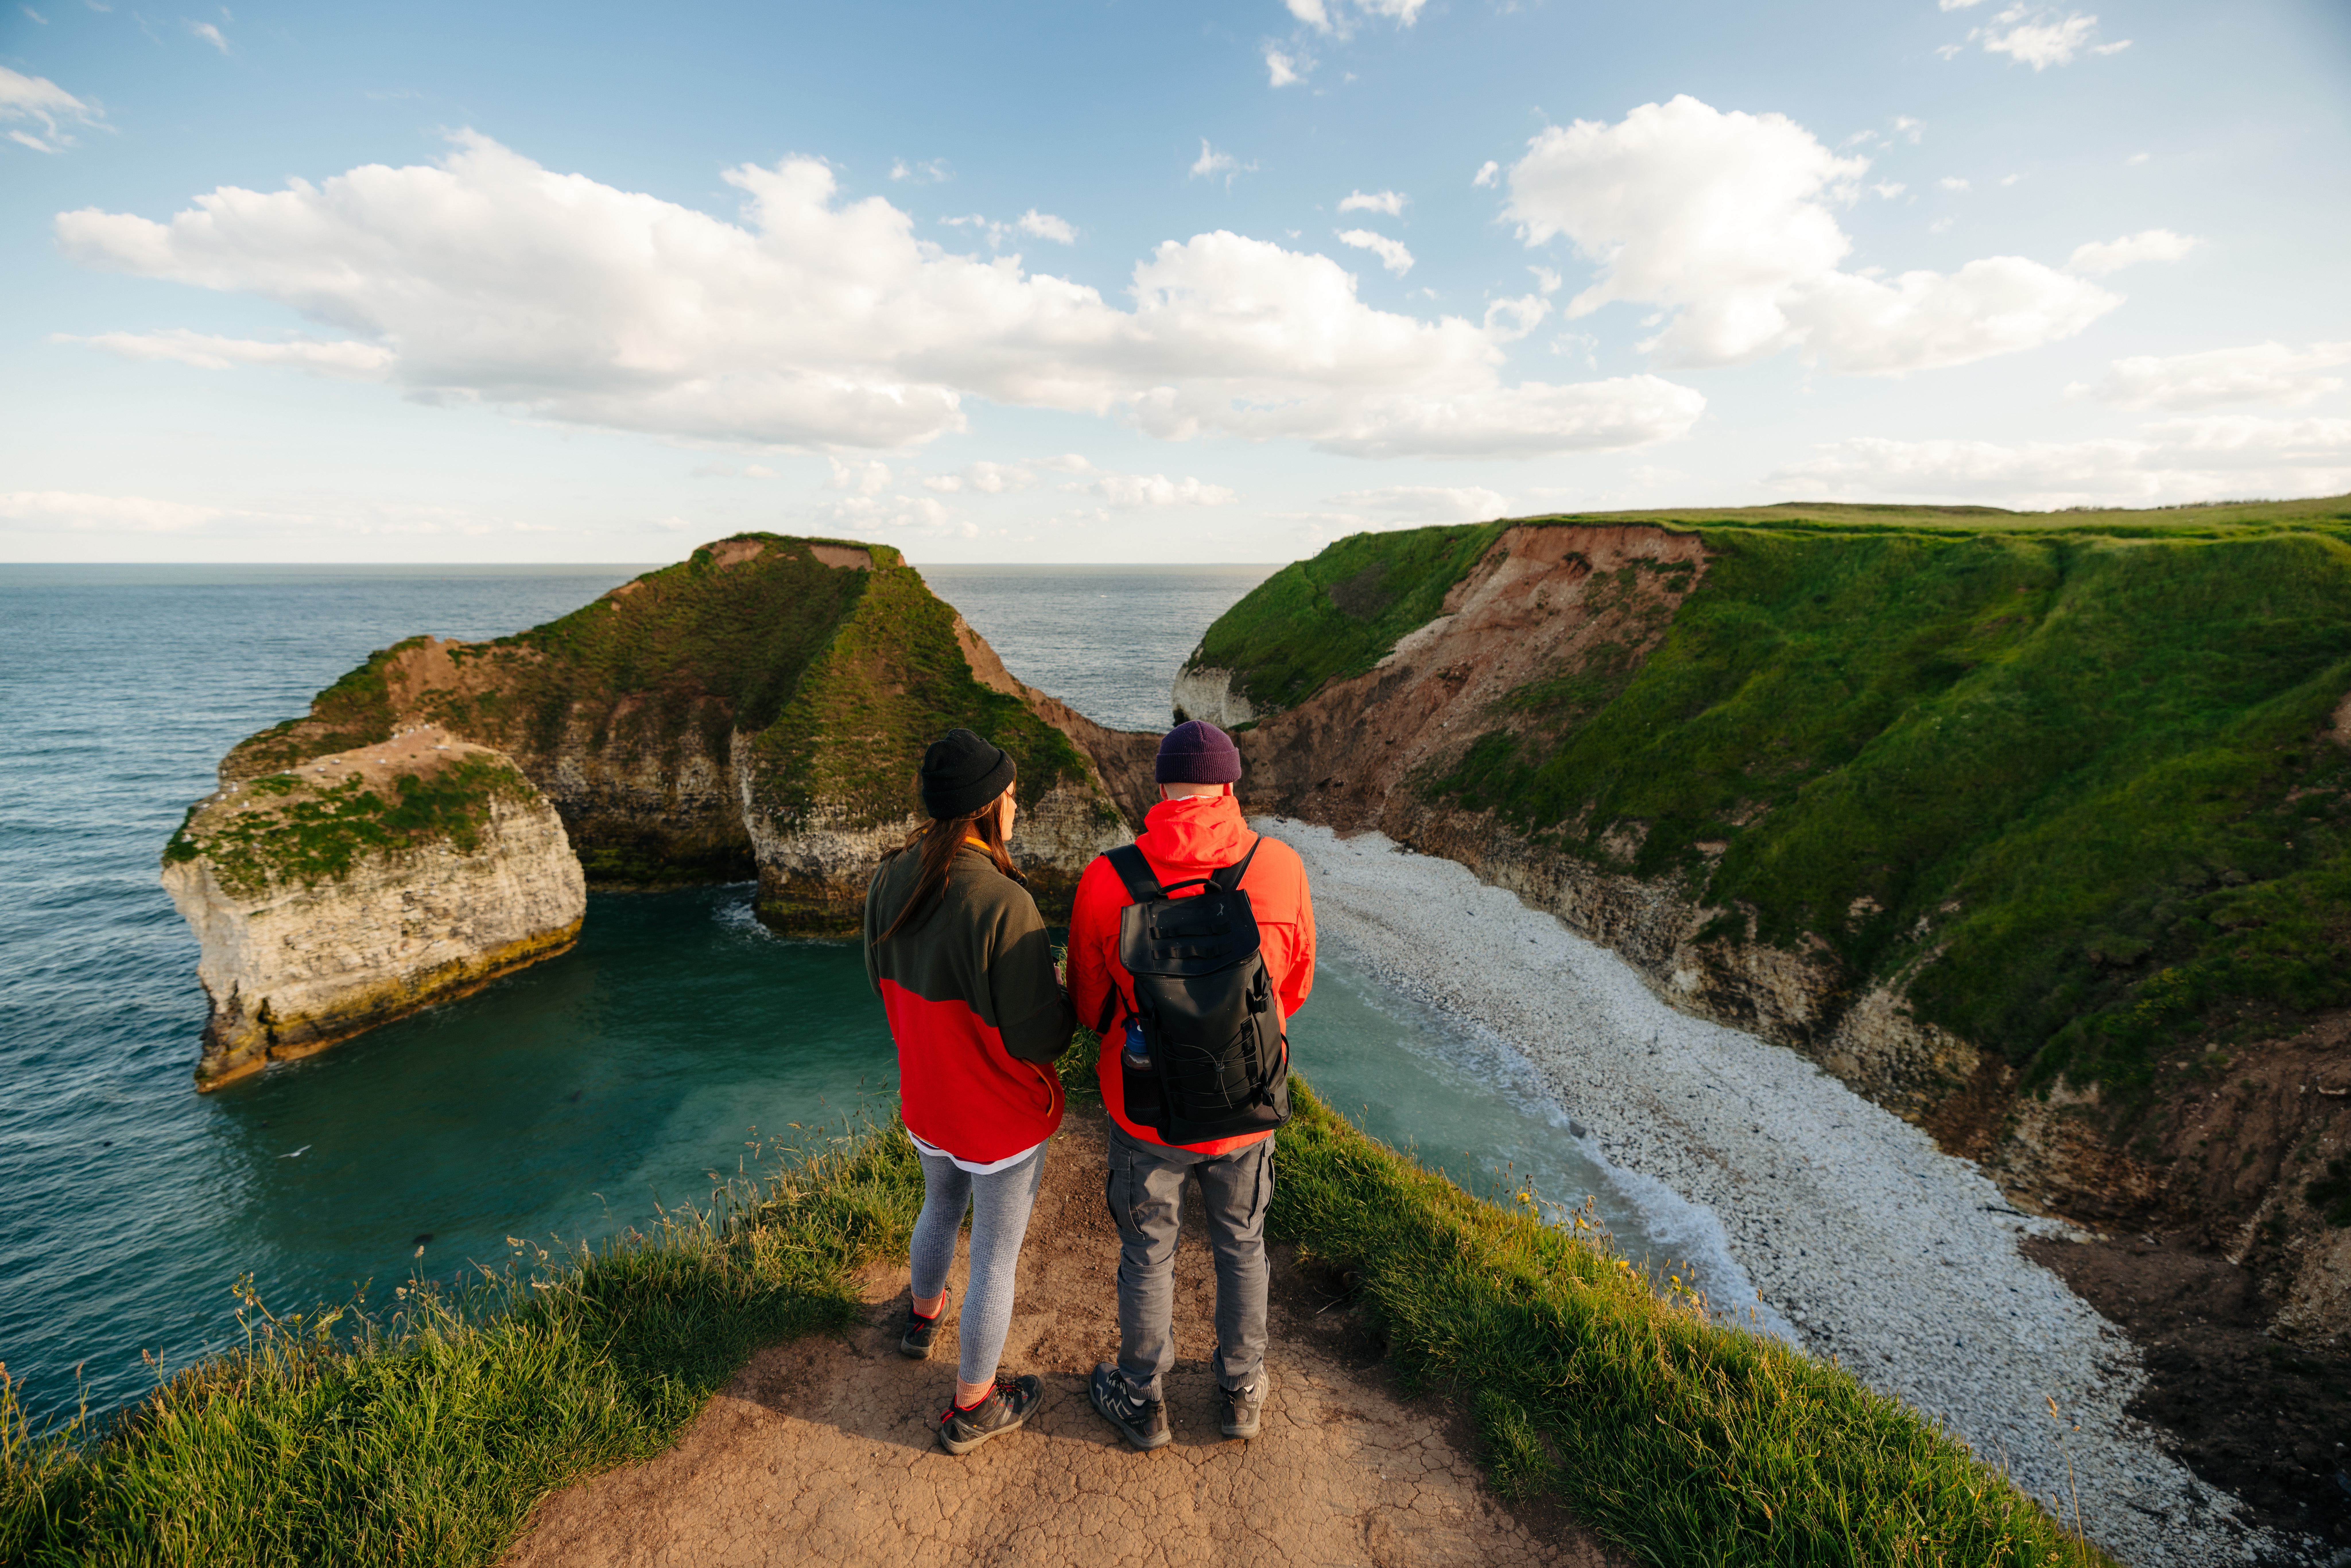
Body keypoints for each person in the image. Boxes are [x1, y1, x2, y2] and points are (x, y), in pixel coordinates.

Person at [1066, 719, 1316, 1449]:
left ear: (1161, 788)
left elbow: (1087, 1004)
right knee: (1242, 1241)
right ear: (1231, 786)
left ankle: (1142, 1397)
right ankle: (1240, 1390)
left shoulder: (1107, 878)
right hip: (1246, 1104)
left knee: (1149, 1249)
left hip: (1147, 1108)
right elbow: (1291, 988)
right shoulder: (1281, 867)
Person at [863, 727, 1075, 1456]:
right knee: (994, 1255)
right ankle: (974, 1404)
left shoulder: (890, 876)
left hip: (928, 1096)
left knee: (938, 1203)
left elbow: (879, 985)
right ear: (988, 807)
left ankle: (922, 1319)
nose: (1017, 804)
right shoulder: (1004, 902)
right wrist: (1065, 992)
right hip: (997, 1117)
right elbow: (1040, 1039)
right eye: (1011, 793)